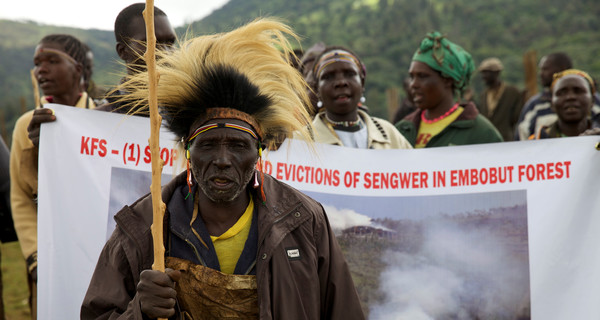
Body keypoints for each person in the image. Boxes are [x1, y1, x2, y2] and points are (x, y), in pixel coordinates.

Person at [81, 19, 365, 320]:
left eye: (239, 146)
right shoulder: (143, 227)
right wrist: (140, 311)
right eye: (208, 144)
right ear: (188, 151)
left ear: (259, 151)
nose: (223, 159)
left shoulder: (303, 221)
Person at [10, 34, 96, 319]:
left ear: (79, 70)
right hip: (50, 264)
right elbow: (21, 197)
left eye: (52, 60)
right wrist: (36, 259)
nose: (41, 70)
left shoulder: (104, 120)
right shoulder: (26, 126)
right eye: (37, 63)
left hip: (99, 259)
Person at [395, 31, 503, 148]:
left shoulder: (482, 134)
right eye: (412, 77)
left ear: (447, 80)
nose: (413, 85)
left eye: (422, 76)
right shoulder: (402, 130)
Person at [309, 46, 412, 149]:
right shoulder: (301, 141)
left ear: (362, 83)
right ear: (317, 89)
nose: (341, 82)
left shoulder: (389, 134)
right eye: (328, 77)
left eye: (349, 74)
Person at [95, 3, 177, 113]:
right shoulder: (100, 119)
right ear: (122, 51)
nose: (165, 53)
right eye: (150, 43)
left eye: (170, 43)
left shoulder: (193, 113)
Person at [530, 69, 598, 139]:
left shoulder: (597, 138)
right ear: (552, 103)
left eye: (578, 91)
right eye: (562, 93)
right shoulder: (536, 143)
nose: (570, 97)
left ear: (592, 100)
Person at [477, 57, 524, 141]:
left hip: (506, 140)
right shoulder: (483, 95)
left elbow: (517, 117)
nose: (483, 76)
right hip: (487, 140)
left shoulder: (512, 92)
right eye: (482, 73)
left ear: (496, 73)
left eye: (486, 73)